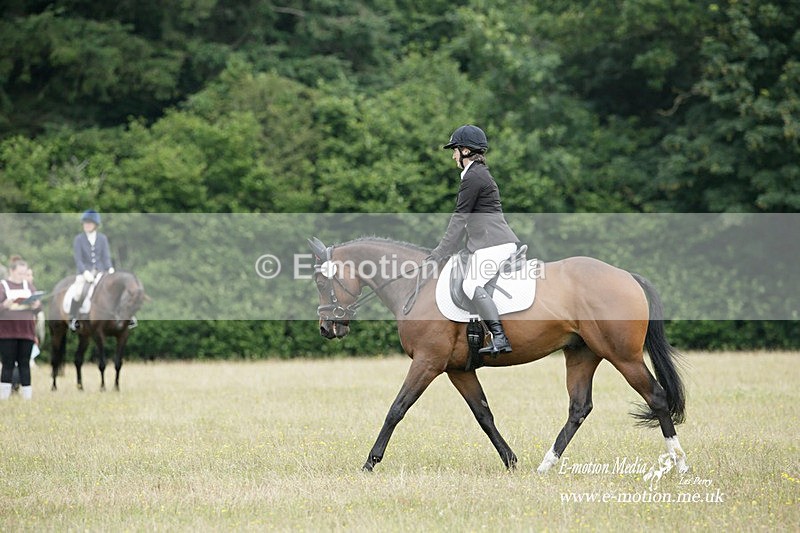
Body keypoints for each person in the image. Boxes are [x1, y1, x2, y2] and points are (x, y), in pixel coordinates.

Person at [428, 125, 520, 356]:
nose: (453, 156)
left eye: (455, 150)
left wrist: (440, 252)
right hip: (486, 243)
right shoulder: (476, 174)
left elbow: (460, 218)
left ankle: (500, 337)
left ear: (466, 151)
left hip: (494, 244)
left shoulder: (474, 176)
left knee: (470, 284)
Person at [0, 256, 41, 400]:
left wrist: (37, 305)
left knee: (24, 363)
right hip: (7, 332)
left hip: (26, 332)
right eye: (20, 273)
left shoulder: (29, 287)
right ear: (12, 271)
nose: (23, 276)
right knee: (8, 364)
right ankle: (4, 396)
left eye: (25, 273)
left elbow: (38, 308)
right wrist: (5, 305)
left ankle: (27, 397)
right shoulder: (3, 286)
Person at [69, 210, 114, 331]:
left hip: (101, 272)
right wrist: (85, 272)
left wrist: (110, 269)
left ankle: (127, 317)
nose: (87, 225)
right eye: (85, 223)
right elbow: (78, 259)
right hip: (85, 272)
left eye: (89, 223)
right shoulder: (79, 239)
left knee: (113, 289)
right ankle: (73, 318)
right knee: (78, 292)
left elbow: (106, 257)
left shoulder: (102, 238)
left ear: (95, 225)